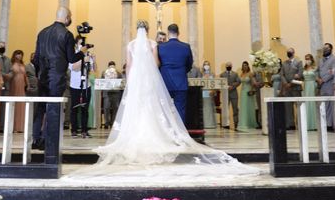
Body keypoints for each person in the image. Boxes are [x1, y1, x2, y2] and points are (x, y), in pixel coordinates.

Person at [84, 20, 259, 178]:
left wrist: (131, 82)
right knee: (160, 109)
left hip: (139, 81)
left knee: (137, 109)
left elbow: (129, 66)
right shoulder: (156, 44)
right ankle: (175, 136)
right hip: (159, 81)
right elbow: (157, 64)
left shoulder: (132, 44)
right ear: (148, 29)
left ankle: (135, 136)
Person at [33, 7, 86, 163]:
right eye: (71, 17)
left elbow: (36, 58)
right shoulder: (67, 34)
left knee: (40, 109)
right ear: (67, 17)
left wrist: (39, 73)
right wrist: (82, 51)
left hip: (43, 76)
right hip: (56, 78)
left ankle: (35, 138)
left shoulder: (42, 32)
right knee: (53, 110)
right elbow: (71, 58)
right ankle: (47, 140)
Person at [157, 23, 192, 124]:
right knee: (180, 110)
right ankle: (180, 134)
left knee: (164, 110)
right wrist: (181, 72)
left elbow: (158, 64)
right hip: (181, 83)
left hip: (165, 82)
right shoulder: (186, 47)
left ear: (168, 33)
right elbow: (189, 64)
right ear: (179, 33)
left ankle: (166, 132)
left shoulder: (161, 47)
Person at [69, 52, 92, 138]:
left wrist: (93, 60)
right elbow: (73, 67)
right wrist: (83, 60)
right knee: (74, 109)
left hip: (86, 85)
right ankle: (74, 130)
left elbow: (93, 69)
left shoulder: (87, 56)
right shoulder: (71, 56)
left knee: (85, 110)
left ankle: (84, 130)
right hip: (75, 86)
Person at [282, 47, 303, 129]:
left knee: (298, 106)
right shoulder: (284, 63)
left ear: (293, 52)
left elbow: (300, 74)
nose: (288, 53)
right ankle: (290, 124)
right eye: (287, 52)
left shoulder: (299, 62)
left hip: (296, 87)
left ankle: (300, 123)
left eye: (290, 52)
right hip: (287, 88)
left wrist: (291, 83)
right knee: (288, 107)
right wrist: (285, 83)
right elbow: (282, 74)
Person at [317, 43, 335, 130]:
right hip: (321, 86)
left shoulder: (334, 59)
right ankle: (325, 124)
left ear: (331, 49)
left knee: (330, 105)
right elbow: (317, 70)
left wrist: (323, 80)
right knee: (324, 105)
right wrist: (318, 78)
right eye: (324, 48)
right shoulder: (320, 60)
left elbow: (333, 72)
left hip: (329, 84)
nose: (325, 50)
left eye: (327, 48)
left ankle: (330, 124)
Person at [9, 49, 27, 133]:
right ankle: (14, 127)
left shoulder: (23, 64)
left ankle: (20, 126)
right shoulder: (11, 64)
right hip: (14, 84)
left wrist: (28, 84)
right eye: (17, 54)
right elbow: (9, 74)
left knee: (21, 105)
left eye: (20, 54)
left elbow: (25, 76)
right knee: (15, 104)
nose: (19, 56)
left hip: (22, 85)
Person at [101, 60, 122, 129]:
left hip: (115, 92)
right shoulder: (104, 73)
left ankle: (113, 122)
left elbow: (121, 82)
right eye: (111, 66)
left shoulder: (118, 73)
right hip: (107, 92)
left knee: (115, 108)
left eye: (113, 66)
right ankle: (106, 122)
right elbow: (102, 82)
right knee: (106, 108)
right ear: (108, 67)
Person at [238, 61, 258, 130]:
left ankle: (250, 123)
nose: (244, 66)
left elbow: (254, 83)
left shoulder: (250, 74)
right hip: (242, 91)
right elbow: (239, 82)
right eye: (243, 65)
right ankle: (243, 123)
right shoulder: (242, 74)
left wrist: (252, 90)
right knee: (243, 107)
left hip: (248, 91)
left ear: (248, 66)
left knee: (248, 107)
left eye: (246, 65)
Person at [220, 62, 240, 129]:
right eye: (227, 65)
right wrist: (225, 87)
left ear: (232, 66)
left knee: (235, 109)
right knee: (225, 109)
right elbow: (220, 83)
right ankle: (226, 124)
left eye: (230, 65)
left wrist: (232, 86)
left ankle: (236, 123)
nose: (229, 66)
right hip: (225, 94)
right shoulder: (222, 74)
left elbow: (238, 81)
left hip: (234, 94)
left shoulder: (235, 74)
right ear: (225, 66)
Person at [302, 54, 318, 130]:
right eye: (306, 59)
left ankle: (314, 125)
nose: (307, 60)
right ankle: (307, 124)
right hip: (306, 86)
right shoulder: (304, 68)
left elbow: (317, 78)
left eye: (308, 59)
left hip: (312, 85)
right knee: (306, 103)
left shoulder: (315, 68)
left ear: (312, 59)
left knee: (312, 103)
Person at [201, 60, 217, 129]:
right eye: (205, 64)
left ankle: (210, 124)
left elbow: (215, 83)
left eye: (207, 64)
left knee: (210, 108)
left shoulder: (212, 74)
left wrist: (213, 91)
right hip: (203, 92)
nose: (206, 66)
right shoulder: (201, 74)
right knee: (204, 108)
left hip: (210, 92)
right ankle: (204, 123)